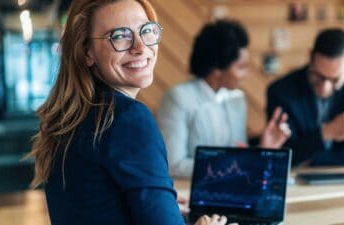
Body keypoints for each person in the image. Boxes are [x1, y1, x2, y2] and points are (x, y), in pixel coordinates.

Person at [28, 1, 235, 224]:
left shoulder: (72, 118)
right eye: (120, 36)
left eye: (146, 31)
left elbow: (96, 204)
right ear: (87, 51)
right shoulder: (128, 118)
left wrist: (162, 205)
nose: (140, 47)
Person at [157, 20, 291, 178]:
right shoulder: (178, 98)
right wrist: (234, 164)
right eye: (241, 67)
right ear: (217, 68)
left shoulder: (237, 99)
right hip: (189, 194)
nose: (246, 75)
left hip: (230, 191)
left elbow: (238, 154)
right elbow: (174, 165)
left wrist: (263, 147)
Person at [266, 28, 344, 166]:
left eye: (335, 80)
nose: (325, 87)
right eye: (319, 76)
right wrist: (326, 132)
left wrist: (312, 159)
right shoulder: (281, 91)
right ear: (310, 57)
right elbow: (283, 155)